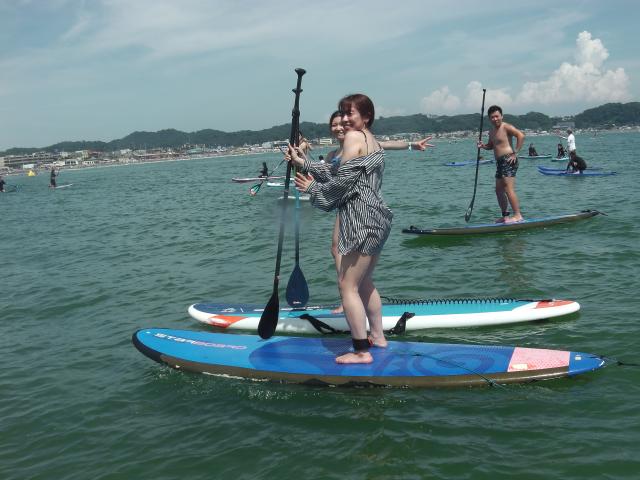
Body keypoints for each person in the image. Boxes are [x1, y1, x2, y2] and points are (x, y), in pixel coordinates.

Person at [289, 110, 433, 314]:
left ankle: (350, 293)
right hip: (343, 205)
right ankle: (348, 293)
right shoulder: (332, 155)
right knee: (335, 249)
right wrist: (298, 161)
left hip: (362, 207)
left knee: (342, 250)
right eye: (334, 125)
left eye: (342, 124)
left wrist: (412, 145)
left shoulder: (362, 144)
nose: (338, 128)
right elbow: (323, 176)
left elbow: (387, 144)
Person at [287, 94, 392, 364]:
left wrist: (312, 188)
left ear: (366, 116)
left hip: (360, 218)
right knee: (364, 282)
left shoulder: (354, 137)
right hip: (378, 217)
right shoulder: (372, 140)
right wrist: (304, 163)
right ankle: (378, 337)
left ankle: (361, 351)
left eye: (349, 113)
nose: (344, 119)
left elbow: (340, 186)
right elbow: (339, 173)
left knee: (347, 286)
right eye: (342, 113)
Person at [478, 105, 525, 224]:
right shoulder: (491, 131)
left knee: (508, 189)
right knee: (498, 190)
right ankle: (505, 216)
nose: (495, 119)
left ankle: (518, 215)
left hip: (509, 160)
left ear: (501, 116)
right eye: (492, 117)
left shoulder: (506, 127)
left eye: (497, 116)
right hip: (499, 162)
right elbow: (491, 146)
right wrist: (483, 146)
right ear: (489, 118)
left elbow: (521, 135)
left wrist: (515, 153)